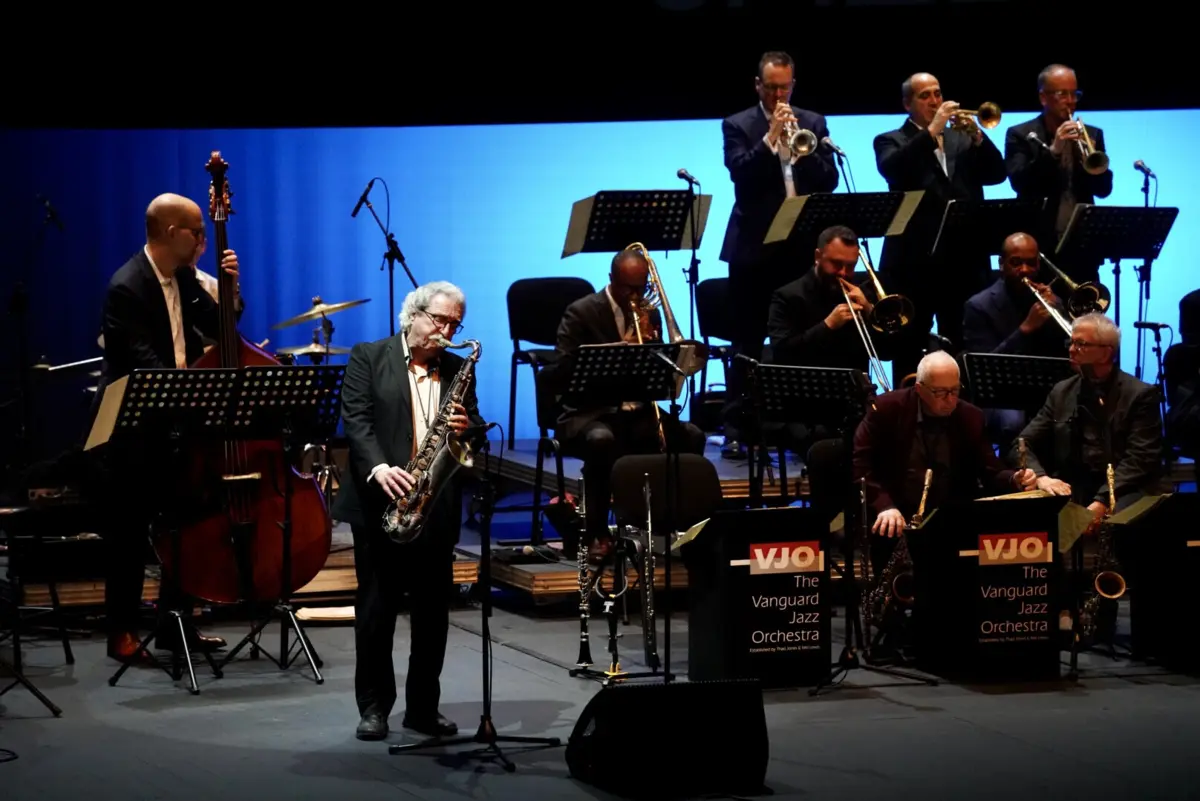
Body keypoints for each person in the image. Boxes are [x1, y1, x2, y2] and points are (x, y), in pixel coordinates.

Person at [332, 281, 485, 742]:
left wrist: (465, 427)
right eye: (440, 321)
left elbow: (472, 429)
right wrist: (380, 468)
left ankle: (423, 708)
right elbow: (356, 420)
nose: (447, 331)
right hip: (381, 499)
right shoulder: (369, 356)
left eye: (455, 324)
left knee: (433, 613)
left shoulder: (459, 368)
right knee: (376, 610)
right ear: (413, 314)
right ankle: (375, 707)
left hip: (433, 505)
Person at [92, 192, 241, 662]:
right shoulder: (127, 286)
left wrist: (231, 292)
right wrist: (193, 394)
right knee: (130, 534)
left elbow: (221, 331)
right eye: (198, 231)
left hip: (179, 423)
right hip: (135, 429)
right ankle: (121, 633)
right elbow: (146, 366)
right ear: (173, 233)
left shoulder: (185, 276)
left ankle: (174, 625)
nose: (203, 240)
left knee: (188, 526)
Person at [718, 50, 840, 460]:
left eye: (783, 87)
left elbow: (829, 179)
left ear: (792, 84)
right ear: (758, 86)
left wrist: (801, 152)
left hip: (800, 248)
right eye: (770, 87)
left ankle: (797, 427)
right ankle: (737, 429)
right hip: (754, 249)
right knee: (748, 340)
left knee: (800, 341)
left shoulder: (813, 122)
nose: (777, 94)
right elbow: (741, 174)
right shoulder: (738, 125)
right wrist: (771, 138)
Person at [550, 248, 708, 559]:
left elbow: (660, 374)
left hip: (637, 410)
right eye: (628, 288)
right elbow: (563, 371)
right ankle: (596, 532)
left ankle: (676, 527)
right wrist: (616, 351)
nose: (636, 296)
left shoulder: (651, 312)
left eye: (642, 287)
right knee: (601, 441)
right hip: (590, 411)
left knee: (692, 436)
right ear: (611, 280)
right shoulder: (581, 312)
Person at [873, 72, 1007, 388]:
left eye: (937, 93)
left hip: (963, 261)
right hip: (913, 263)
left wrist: (979, 139)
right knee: (909, 343)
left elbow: (997, 174)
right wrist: (932, 131)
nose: (935, 101)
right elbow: (893, 169)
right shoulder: (890, 140)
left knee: (963, 340)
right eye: (925, 96)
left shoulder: (962, 138)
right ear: (907, 104)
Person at [853, 350, 1036, 568]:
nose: (950, 400)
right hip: (897, 513)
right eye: (941, 393)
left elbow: (990, 471)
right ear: (920, 389)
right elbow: (861, 466)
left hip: (950, 517)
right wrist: (884, 506)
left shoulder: (970, 416)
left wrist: (1014, 479)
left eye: (955, 390)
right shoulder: (886, 409)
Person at [766, 225, 885, 527]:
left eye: (851, 265)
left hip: (854, 401)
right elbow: (782, 354)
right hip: (803, 407)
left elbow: (887, 351)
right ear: (818, 256)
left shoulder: (863, 292)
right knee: (829, 448)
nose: (844, 272)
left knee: (891, 431)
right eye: (836, 264)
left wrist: (872, 311)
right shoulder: (788, 296)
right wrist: (827, 326)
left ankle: (871, 519)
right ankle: (830, 524)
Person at [1008, 312, 1163, 523]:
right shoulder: (1062, 392)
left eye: (1081, 344)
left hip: (1126, 487)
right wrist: (1041, 477)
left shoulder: (1140, 394)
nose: (1072, 350)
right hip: (1077, 485)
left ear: (1105, 353)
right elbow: (1021, 444)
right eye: (1071, 342)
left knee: (1120, 520)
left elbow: (1140, 460)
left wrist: (1101, 502)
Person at [1004, 64, 1113, 288]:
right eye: (1062, 94)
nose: (1071, 101)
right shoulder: (1020, 134)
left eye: (1075, 94)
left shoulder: (1092, 134)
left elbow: (1103, 190)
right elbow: (1020, 183)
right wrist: (1053, 151)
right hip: (1039, 247)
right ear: (1043, 97)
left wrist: (1090, 161)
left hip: (1081, 246)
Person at [961, 232, 1070, 444]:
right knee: (1012, 423)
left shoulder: (1050, 301)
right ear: (1002, 264)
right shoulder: (979, 306)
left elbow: (1066, 347)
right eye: (1016, 263)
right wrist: (1025, 329)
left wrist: (1059, 310)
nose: (1025, 270)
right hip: (1001, 393)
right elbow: (983, 367)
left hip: (1045, 386)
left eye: (1031, 263)